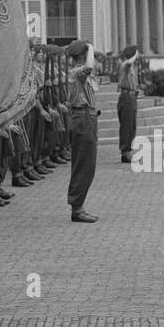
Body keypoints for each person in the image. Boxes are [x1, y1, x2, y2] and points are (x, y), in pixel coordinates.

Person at [65, 39, 99, 223]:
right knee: (83, 164)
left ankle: (78, 205)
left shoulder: (77, 72)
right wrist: (90, 47)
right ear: (83, 55)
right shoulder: (76, 71)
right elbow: (89, 69)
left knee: (88, 164)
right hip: (82, 118)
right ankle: (77, 208)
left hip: (87, 117)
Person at [118, 44, 139, 162]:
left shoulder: (131, 67)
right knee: (127, 126)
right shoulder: (125, 65)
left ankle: (128, 150)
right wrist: (135, 54)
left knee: (131, 126)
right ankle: (125, 152)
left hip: (131, 96)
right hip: (126, 97)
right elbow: (129, 63)